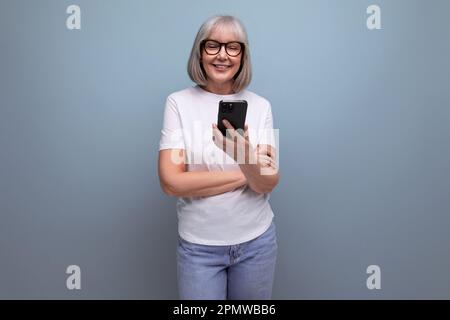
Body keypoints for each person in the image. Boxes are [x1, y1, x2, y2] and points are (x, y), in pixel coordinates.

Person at [158, 15, 280, 300]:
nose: (222, 55)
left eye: (232, 47)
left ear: (242, 55)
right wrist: (248, 166)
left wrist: (247, 162)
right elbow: (172, 182)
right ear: (200, 52)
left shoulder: (261, 106)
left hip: (257, 245)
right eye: (212, 45)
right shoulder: (178, 103)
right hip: (199, 248)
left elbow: (267, 183)